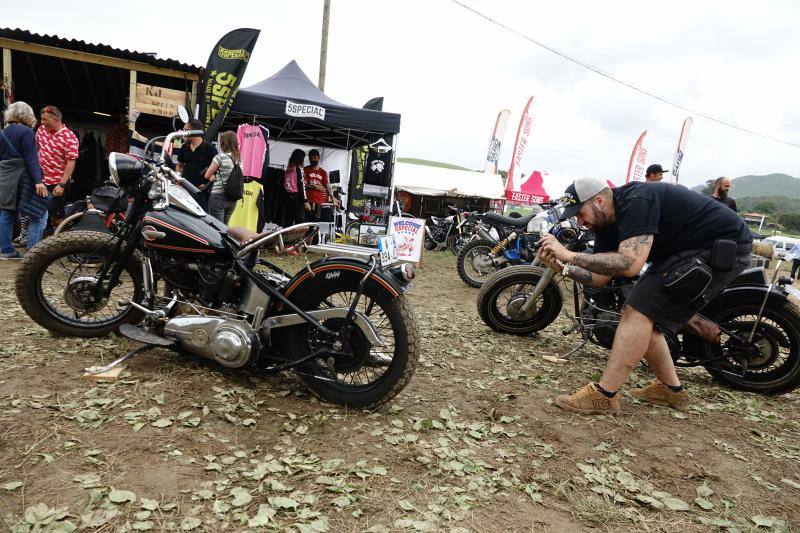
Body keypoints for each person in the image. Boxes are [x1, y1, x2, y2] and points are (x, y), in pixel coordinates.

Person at [539, 178, 752, 414]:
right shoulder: (603, 224)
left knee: (636, 313)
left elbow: (629, 264)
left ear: (599, 201)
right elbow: (600, 278)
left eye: (580, 213)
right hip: (684, 252)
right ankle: (672, 392)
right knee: (645, 318)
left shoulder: (637, 199)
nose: (580, 221)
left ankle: (604, 395)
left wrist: (568, 255)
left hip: (721, 246)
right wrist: (564, 268)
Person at [0, 102, 49, 259]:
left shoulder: (3, 132)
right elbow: (31, 158)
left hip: (5, 175)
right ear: (26, 114)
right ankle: (32, 255)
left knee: (6, 213)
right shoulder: (26, 132)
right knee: (38, 213)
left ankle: (6, 251)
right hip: (23, 176)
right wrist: (38, 181)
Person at [35, 105, 79, 230]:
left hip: (57, 183)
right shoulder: (41, 130)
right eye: (41, 119)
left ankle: (60, 244)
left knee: (57, 218)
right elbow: (36, 149)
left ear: (56, 120)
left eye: (45, 120)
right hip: (40, 180)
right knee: (38, 214)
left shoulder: (69, 137)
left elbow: (71, 163)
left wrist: (62, 184)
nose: (42, 123)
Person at [176, 119, 217, 210]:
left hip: (200, 192)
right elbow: (179, 165)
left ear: (194, 131)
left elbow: (216, 171)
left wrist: (206, 185)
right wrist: (178, 179)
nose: (183, 132)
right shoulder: (184, 147)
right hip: (184, 190)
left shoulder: (210, 149)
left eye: (185, 130)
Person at [203, 131, 240, 224]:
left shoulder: (220, 157)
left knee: (216, 227)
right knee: (224, 227)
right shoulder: (239, 159)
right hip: (233, 198)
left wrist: (212, 176)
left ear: (223, 143)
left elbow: (207, 175)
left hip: (218, 196)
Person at [303, 149, 339, 221]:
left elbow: (327, 186)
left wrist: (333, 198)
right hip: (306, 201)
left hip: (318, 202)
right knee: (305, 224)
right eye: (311, 158)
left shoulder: (323, 172)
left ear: (318, 158)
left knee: (315, 224)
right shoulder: (305, 170)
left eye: (314, 157)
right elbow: (303, 185)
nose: (312, 159)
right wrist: (316, 187)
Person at [284, 149, 310, 227]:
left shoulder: (289, 168)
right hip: (297, 199)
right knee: (300, 223)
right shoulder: (298, 168)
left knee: (288, 222)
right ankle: (298, 239)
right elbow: (301, 186)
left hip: (288, 197)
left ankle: (287, 238)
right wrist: (305, 201)